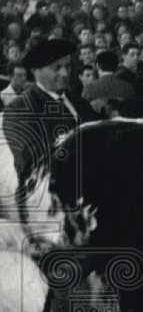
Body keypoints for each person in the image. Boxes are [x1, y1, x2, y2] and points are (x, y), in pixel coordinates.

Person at [1, 39, 98, 217]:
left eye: (67, 67)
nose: (64, 73)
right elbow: (32, 162)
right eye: (56, 67)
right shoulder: (20, 110)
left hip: (92, 196)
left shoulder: (80, 103)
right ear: (36, 71)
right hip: (51, 208)